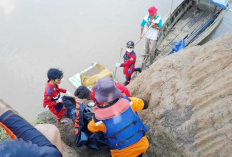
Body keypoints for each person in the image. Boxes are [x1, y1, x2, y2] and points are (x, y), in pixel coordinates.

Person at [88, 77, 149, 157]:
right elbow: (145, 104)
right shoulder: (130, 101)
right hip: (142, 145)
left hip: (122, 154)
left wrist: (96, 112)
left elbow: (91, 128)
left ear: (101, 97)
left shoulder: (98, 119)